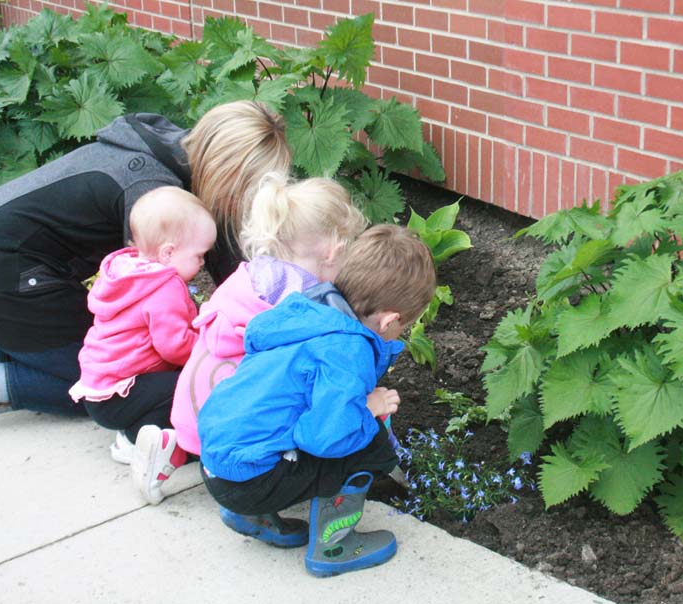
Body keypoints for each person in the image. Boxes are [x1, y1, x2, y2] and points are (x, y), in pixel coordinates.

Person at [0, 101, 290, 421]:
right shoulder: (151, 191)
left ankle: (4, 348)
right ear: (228, 172)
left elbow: (219, 251)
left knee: (103, 355)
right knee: (110, 393)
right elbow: (156, 308)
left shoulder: (173, 150)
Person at [198, 224, 436, 577]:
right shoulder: (346, 350)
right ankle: (334, 546)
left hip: (217, 464)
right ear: (389, 321)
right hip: (249, 481)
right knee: (368, 446)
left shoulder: (308, 309)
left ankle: (252, 516)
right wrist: (368, 409)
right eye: (407, 325)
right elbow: (325, 438)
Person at [131, 173, 367, 505]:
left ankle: (170, 449)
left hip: (192, 405)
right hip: (232, 429)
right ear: (334, 251)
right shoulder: (301, 304)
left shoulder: (250, 275)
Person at [68, 187, 215, 451]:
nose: (203, 263)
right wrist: (207, 346)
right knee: (191, 385)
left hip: (103, 390)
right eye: (199, 255)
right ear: (168, 253)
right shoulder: (163, 286)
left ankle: (138, 429)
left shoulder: (129, 273)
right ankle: (139, 438)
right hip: (121, 393)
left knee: (171, 387)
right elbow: (175, 346)